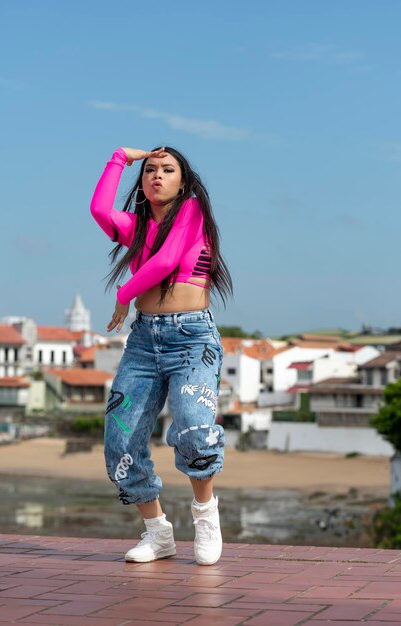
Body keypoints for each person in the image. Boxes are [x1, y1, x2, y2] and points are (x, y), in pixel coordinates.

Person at [90, 145, 232, 565]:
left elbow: (168, 260)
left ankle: (205, 515)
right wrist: (119, 158)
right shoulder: (134, 226)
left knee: (194, 428)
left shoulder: (191, 212)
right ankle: (157, 532)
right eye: (150, 169)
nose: (156, 175)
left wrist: (123, 293)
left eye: (167, 170)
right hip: (143, 341)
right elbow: (100, 211)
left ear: (182, 181)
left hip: (191, 338)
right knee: (120, 439)